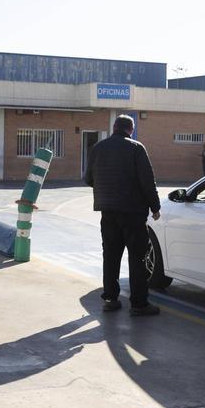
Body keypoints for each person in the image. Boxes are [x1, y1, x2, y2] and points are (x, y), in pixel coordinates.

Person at [84, 115, 162, 316]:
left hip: (107, 212)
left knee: (110, 255)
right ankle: (139, 304)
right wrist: (155, 207)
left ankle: (110, 299)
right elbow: (147, 180)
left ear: (114, 127)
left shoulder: (98, 148)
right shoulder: (136, 148)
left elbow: (88, 179)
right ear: (131, 129)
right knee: (137, 257)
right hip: (133, 213)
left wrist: (106, 190)